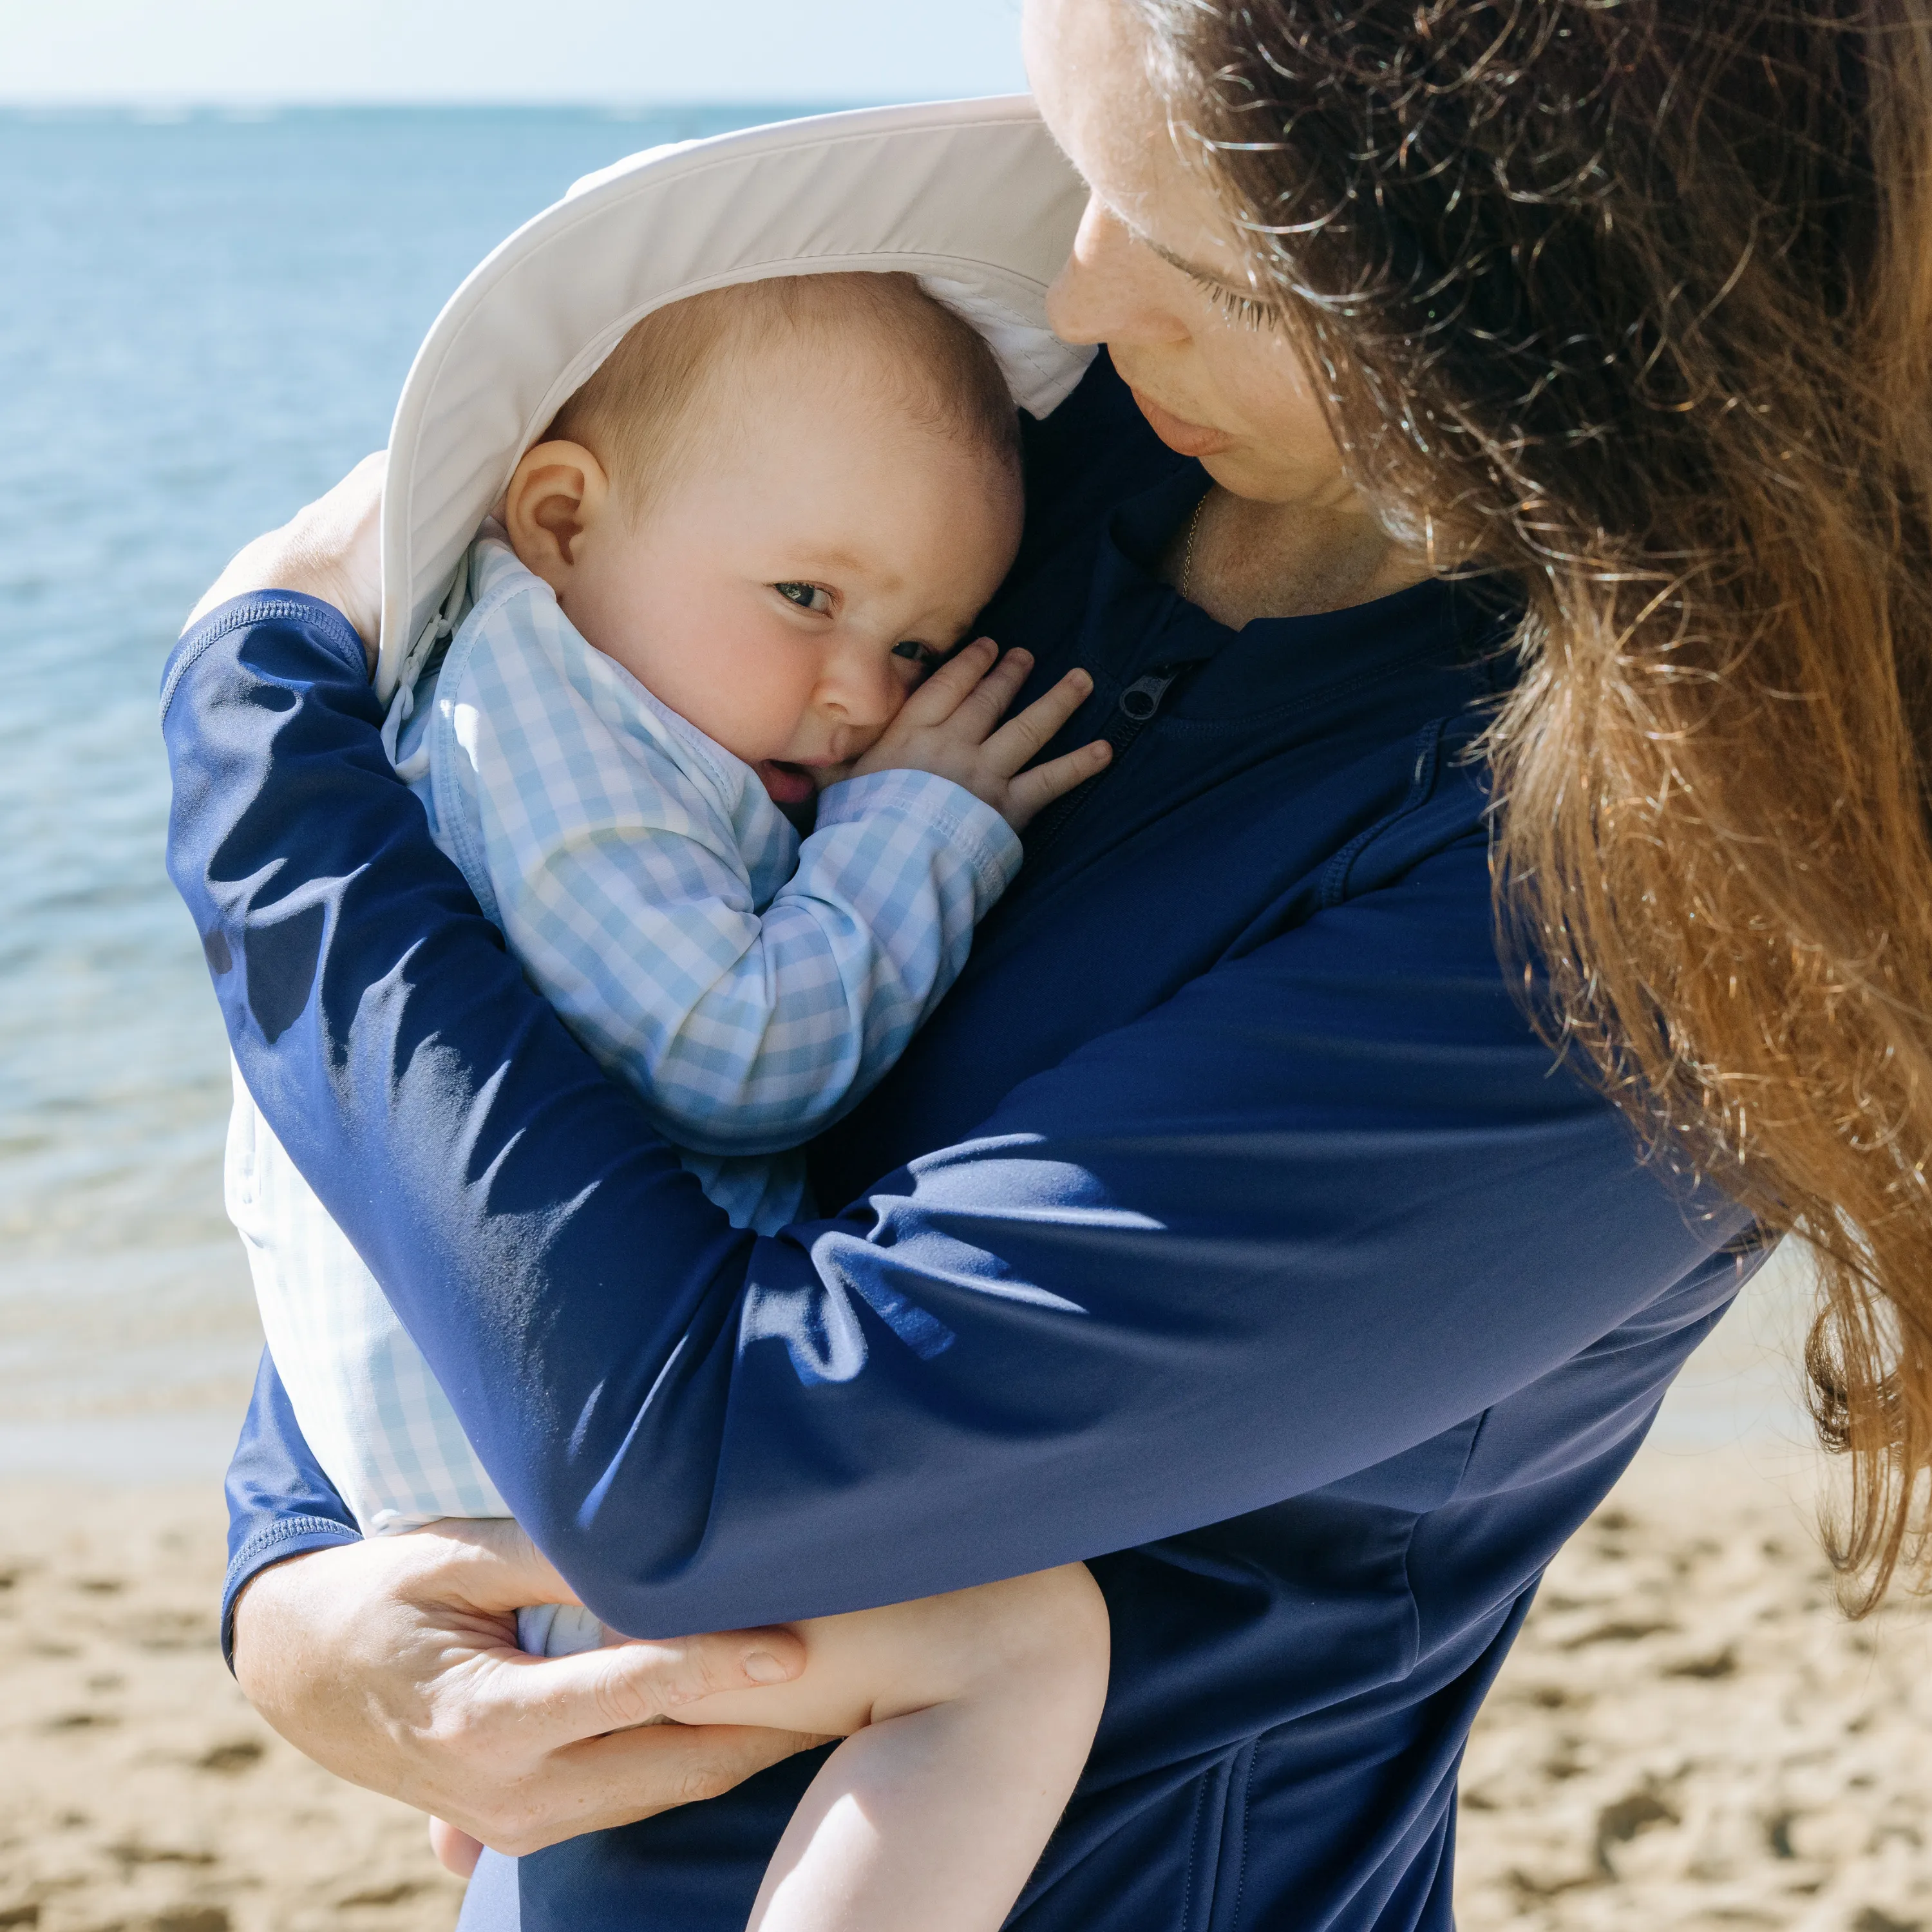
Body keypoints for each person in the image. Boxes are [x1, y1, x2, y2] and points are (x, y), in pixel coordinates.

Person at [162, 1, 1932, 1926]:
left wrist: (256, 724)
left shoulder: (1632, 906)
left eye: (1202, 256)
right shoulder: (1045, 453)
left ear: (1544, 296)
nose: (1081, 297)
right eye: (1078, 170)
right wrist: (302, 1586)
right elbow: (500, 999)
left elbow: (713, 1471)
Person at [226, 270, 1111, 1929]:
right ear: (560, 518)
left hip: (512, 1436)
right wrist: (920, 829)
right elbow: (734, 1050)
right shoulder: (549, 727)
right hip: (540, 1457)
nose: (861, 693)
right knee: (1018, 1647)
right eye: (804, 597)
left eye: (912, 645)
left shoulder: (567, 692)